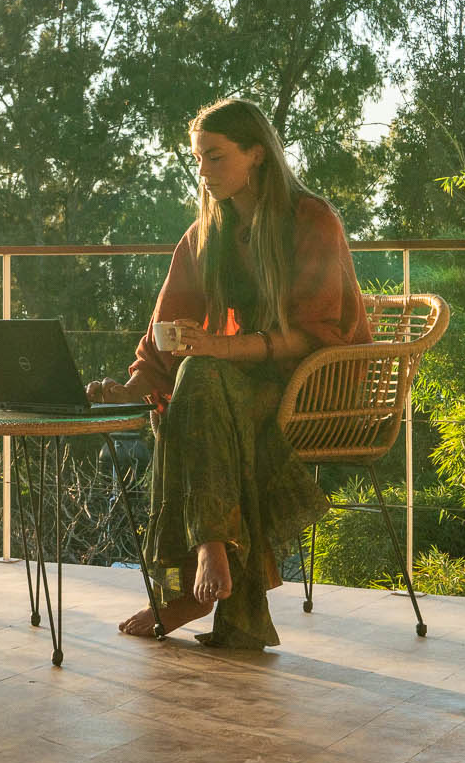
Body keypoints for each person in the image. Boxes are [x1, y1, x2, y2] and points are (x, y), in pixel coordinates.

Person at [85, 97, 370, 649]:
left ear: (257, 155)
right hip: (234, 388)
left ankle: (190, 580)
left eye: (215, 157)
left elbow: (316, 335)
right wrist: (134, 387)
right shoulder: (205, 233)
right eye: (198, 159)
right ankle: (212, 569)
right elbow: (168, 328)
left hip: (314, 384)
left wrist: (219, 348)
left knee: (201, 383)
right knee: (190, 392)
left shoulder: (311, 220)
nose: (203, 172)